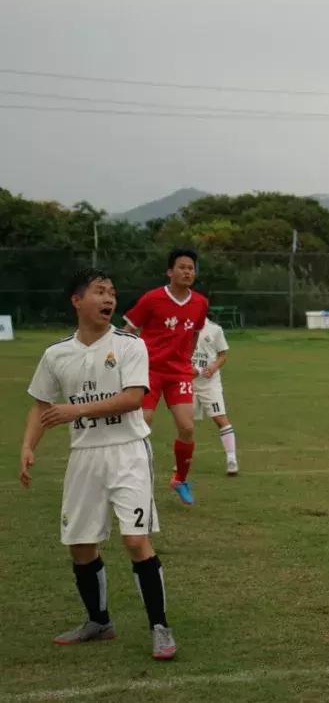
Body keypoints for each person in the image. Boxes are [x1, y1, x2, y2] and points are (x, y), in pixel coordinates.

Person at [19, 268, 177, 660]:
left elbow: (133, 398)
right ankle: (99, 621)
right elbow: (41, 404)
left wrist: (74, 410)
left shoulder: (129, 345)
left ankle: (160, 627)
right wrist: (27, 446)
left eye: (112, 292)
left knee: (135, 540)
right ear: (77, 300)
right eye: (99, 291)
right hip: (84, 456)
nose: (109, 299)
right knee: (80, 545)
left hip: (127, 451)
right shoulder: (56, 354)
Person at [122, 248, 208, 505]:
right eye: (182, 267)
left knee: (187, 427)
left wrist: (187, 361)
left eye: (191, 268)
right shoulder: (152, 298)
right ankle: (126, 476)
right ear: (170, 272)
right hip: (148, 369)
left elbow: (195, 334)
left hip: (178, 371)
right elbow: (129, 329)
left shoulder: (200, 303)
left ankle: (180, 479)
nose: (187, 272)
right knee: (143, 421)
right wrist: (119, 357)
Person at [191, 317, 238, 476]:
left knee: (220, 419)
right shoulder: (182, 325)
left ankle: (231, 459)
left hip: (209, 384)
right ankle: (182, 461)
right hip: (187, 382)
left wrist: (213, 366)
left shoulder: (215, 329)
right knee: (184, 423)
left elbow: (223, 355)